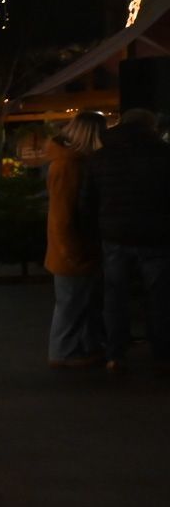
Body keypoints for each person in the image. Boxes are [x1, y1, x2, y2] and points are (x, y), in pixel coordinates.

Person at [83, 108, 170, 368]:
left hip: (114, 236)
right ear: (151, 127)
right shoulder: (164, 155)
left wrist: (93, 232)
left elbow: (87, 201)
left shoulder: (100, 157)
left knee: (115, 297)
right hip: (156, 236)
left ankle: (115, 353)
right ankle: (162, 354)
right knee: (159, 298)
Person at [43, 112, 105, 366]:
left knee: (76, 303)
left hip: (70, 249)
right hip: (71, 251)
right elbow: (62, 215)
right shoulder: (69, 165)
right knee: (71, 304)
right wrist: (72, 251)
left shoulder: (69, 162)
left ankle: (77, 349)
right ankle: (64, 352)